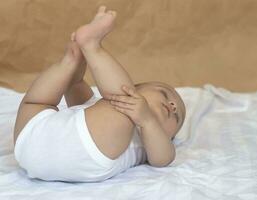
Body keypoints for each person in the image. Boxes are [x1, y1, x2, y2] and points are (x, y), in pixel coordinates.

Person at [13, 5, 186, 182]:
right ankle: (70, 61)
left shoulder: (150, 143)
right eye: (164, 93)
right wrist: (76, 71)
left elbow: (163, 160)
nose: (173, 106)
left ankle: (89, 47)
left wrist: (148, 121)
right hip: (31, 138)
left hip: (69, 156)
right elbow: (75, 86)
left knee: (125, 105)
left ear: (169, 137)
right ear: (134, 85)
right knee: (40, 99)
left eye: (177, 116)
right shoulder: (100, 109)